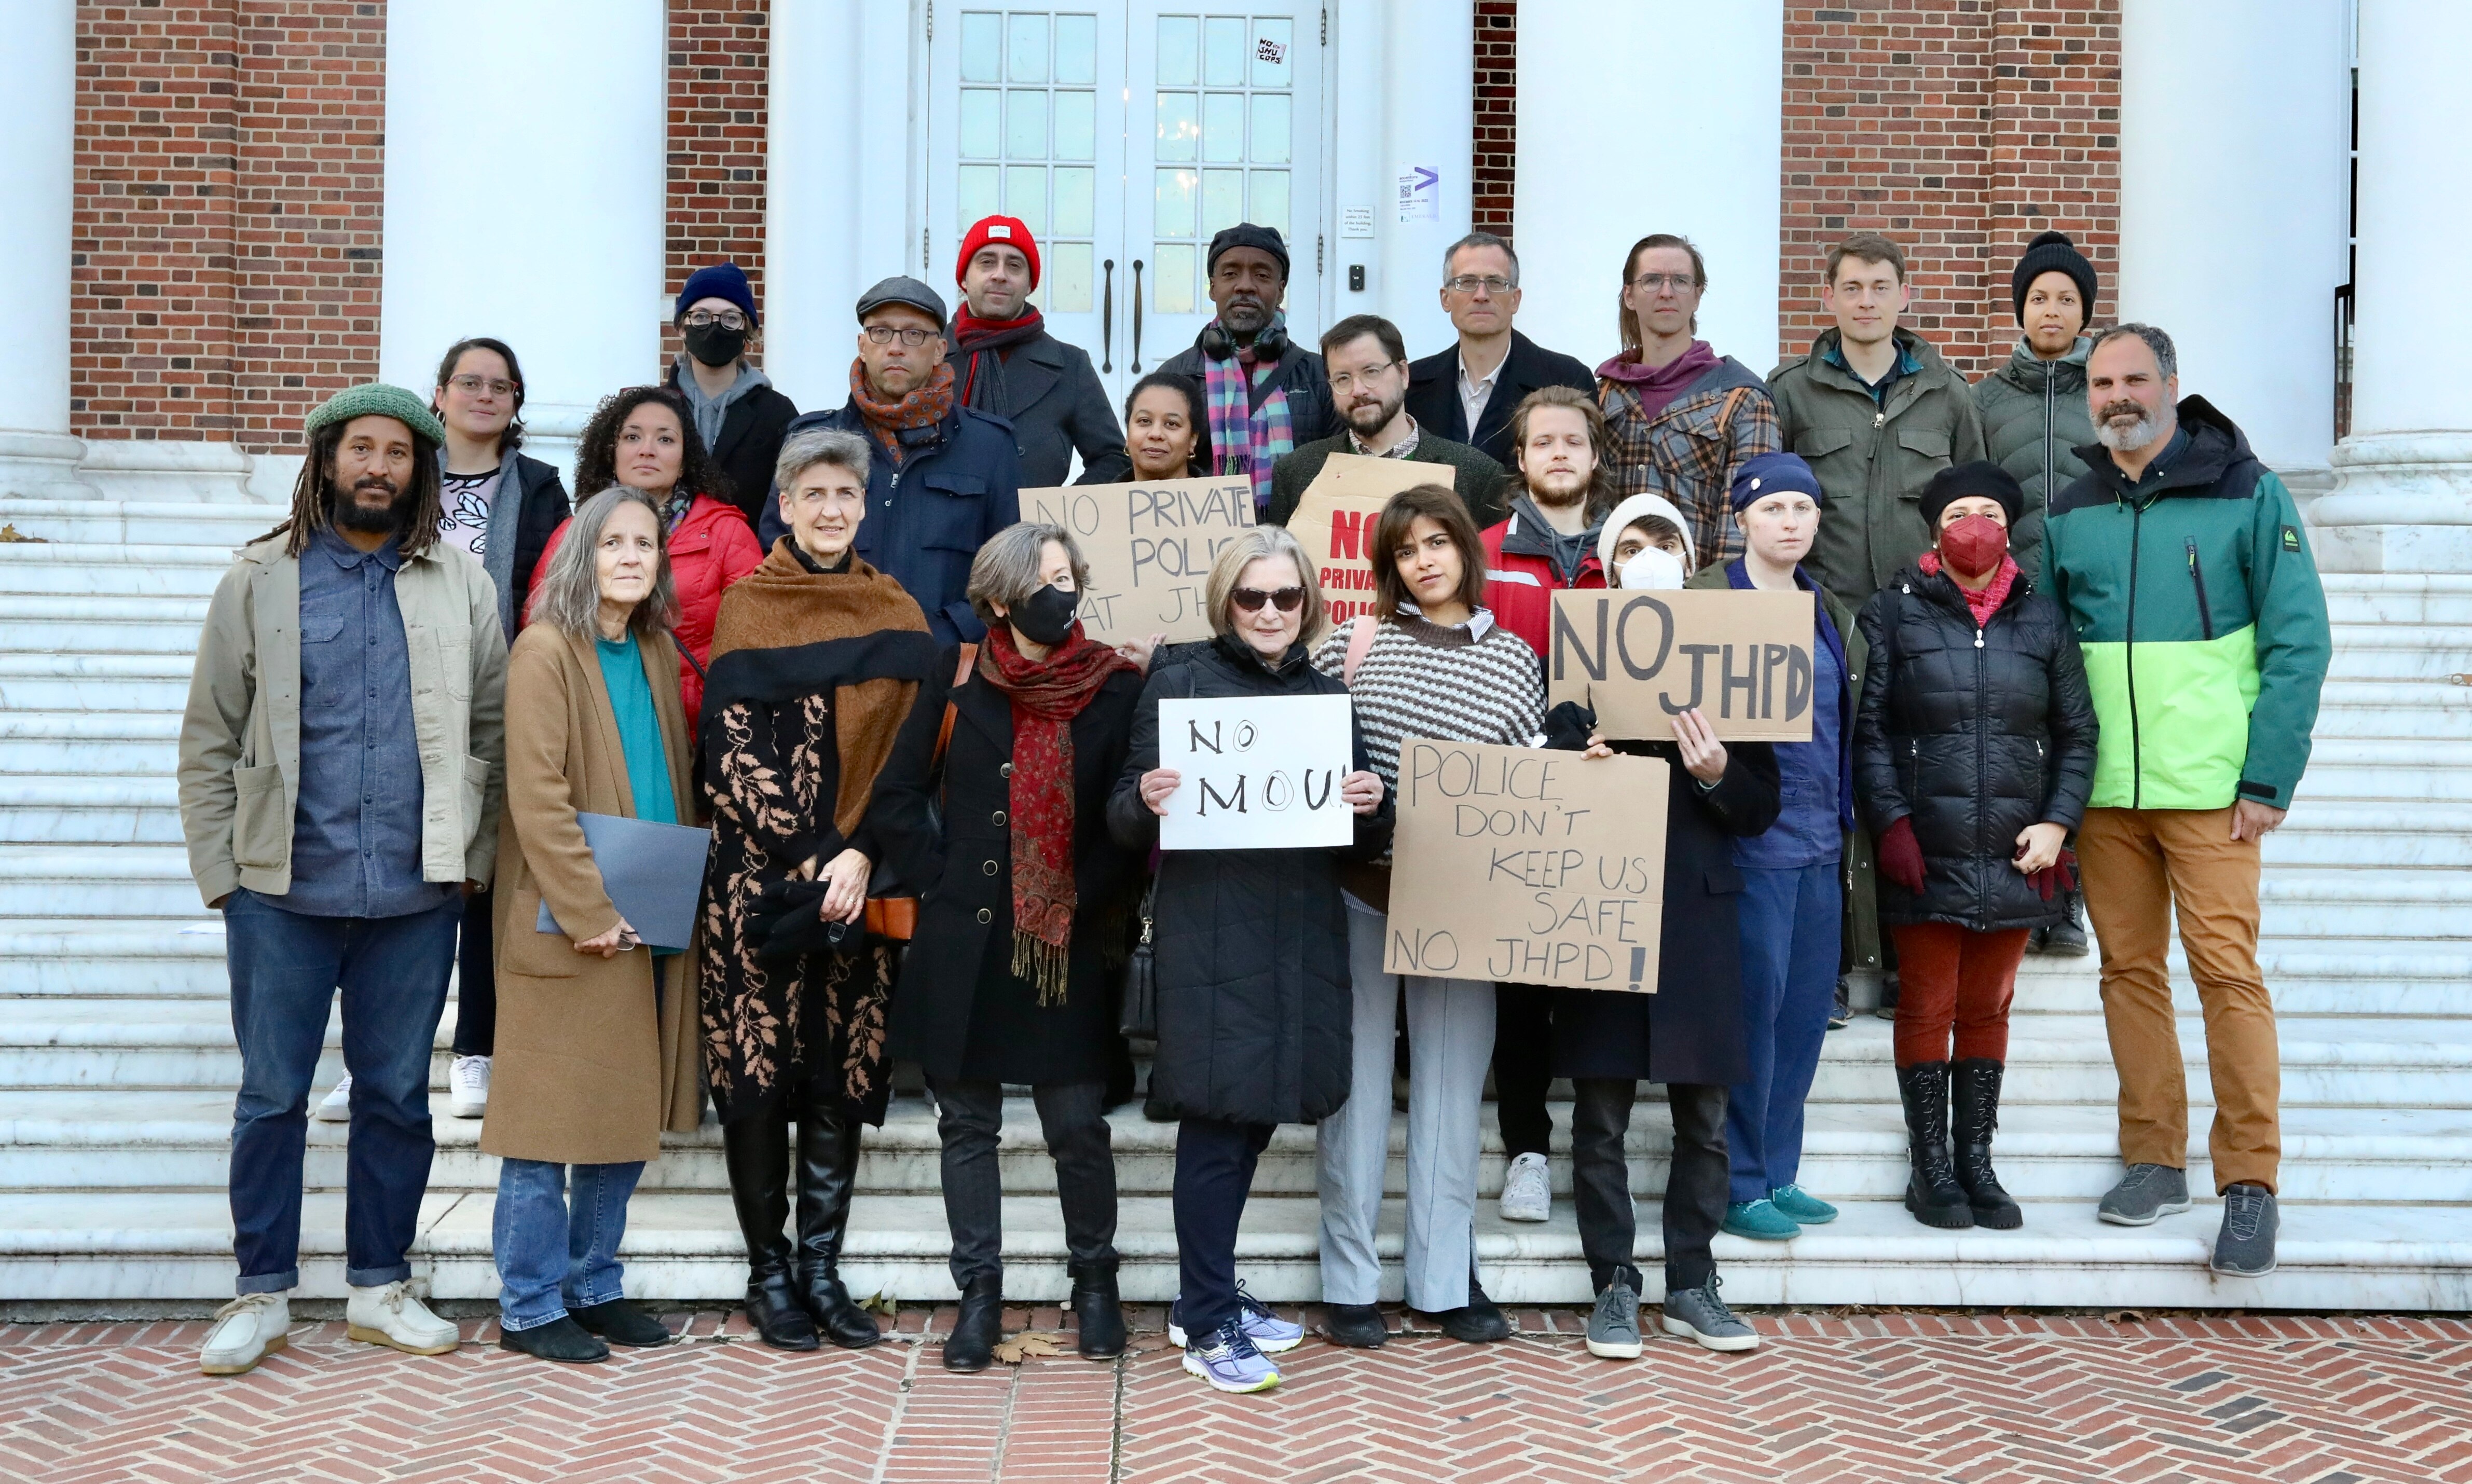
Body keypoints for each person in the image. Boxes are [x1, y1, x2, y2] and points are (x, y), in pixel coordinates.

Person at [176, 383, 506, 1377]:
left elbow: (489, 727)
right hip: (280, 891)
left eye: (397, 454)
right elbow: (209, 735)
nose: (377, 468)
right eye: (359, 450)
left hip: (415, 893)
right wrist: (224, 876)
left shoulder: (463, 583)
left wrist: (471, 866)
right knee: (271, 1095)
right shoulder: (259, 579)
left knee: (400, 1096)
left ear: (422, 469)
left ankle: (378, 1286)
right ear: (325, 461)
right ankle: (260, 1293)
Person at [2042, 323, 2330, 1278]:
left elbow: (2298, 641)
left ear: (2170, 384)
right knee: (2126, 974)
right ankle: (2152, 1159)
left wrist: (2266, 776)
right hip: (2106, 793)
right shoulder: (2071, 507)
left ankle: (2248, 1183)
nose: (2115, 397)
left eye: (2132, 379)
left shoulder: (2247, 493)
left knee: (2224, 974)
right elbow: (2046, 653)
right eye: (2099, 384)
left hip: (2211, 791)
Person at [1107, 527, 1389, 1393]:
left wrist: (1371, 803)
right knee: (1215, 1123)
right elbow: (1119, 813)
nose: (1269, 613)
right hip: (1212, 928)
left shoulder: (1324, 698)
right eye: (1251, 597)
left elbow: (1360, 827)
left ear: (1308, 604)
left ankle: (1211, 1291)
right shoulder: (1180, 681)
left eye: (1286, 597)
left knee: (1257, 1114)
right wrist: (1146, 800)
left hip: (1299, 927)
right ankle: (1202, 1320)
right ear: (1225, 600)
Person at [701, 427, 944, 1351]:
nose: (833, 510)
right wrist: (804, 848)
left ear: (863, 503)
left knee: (839, 1072)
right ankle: (769, 1275)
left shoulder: (897, 608)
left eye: (847, 494)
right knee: (760, 1075)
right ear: (787, 506)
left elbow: (912, 754)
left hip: (858, 878)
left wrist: (858, 857)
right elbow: (726, 748)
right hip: (758, 879)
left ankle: (820, 1271)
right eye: (815, 495)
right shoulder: (748, 606)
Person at [880, 523, 1145, 1370]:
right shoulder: (955, 676)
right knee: (966, 1125)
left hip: (1067, 938)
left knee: (1076, 1125)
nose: (1061, 595)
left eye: (1070, 578)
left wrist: (1080, 895)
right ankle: (979, 1298)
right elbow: (894, 795)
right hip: (966, 942)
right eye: (1044, 582)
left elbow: (1126, 815)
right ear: (998, 599)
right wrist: (947, 879)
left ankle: (1095, 1287)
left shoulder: (1115, 685)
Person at [1309, 483, 1544, 1351]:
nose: (1426, 559)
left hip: (1462, 901)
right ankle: (1349, 1281)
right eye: (1407, 549)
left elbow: (1531, 778)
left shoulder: (1514, 659)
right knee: (1357, 1098)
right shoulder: (1352, 644)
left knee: (1449, 1096)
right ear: (1388, 566)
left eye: (1438, 542)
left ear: (1464, 551)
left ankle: (1442, 1280)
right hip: (1359, 890)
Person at [484, 487, 705, 1363]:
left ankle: (593, 1283)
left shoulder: (654, 650)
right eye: (611, 541)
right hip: (567, 915)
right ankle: (531, 1302)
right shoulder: (543, 651)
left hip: (649, 903)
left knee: (621, 1111)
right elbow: (535, 797)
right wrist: (587, 908)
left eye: (644, 544)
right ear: (583, 553)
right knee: (545, 1122)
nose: (629, 556)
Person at [1539, 574, 1780, 1358]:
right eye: (1632, 549)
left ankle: (1690, 1282)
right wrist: (1583, 761)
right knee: (1600, 1116)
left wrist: (1714, 771)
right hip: (1603, 915)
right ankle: (1613, 1281)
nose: (1649, 561)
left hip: (1699, 921)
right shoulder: (1577, 678)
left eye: (1663, 548)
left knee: (1703, 1120)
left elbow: (1761, 808)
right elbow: (1543, 785)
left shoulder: (1731, 679)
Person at [1854, 461, 2097, 1232]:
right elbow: (1870, 732)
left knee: (1990, 1006)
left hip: (2021, 849)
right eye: (1958, 511)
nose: (1974, 523)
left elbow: (2077, 733)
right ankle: (1930, 1169)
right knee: (1928, 1004)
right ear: (1934, 528)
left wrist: (2059, 823)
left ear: (2010, 527)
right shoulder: (1892, 612)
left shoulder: (2044, 618)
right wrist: (1891, 825)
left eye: (1989, 510)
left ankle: (1976, 1161)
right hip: (1927, 845)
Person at [1680, 453, 1862, 1241]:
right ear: (1743, 519)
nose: (1790, 522)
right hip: (1751, 843)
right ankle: (1739, 1180)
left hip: (1824, 843)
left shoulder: (1829, 607)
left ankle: (1779, 1171)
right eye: (1773, 509)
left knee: (1801, 1019)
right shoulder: (1710, 601)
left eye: (1803, 508)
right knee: (1753, 1016)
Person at [1474, 384, 1620, 1226]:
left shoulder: (1636, 553)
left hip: (1613, 790)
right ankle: (1525, 1151)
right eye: (1543, 442)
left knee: (1601, 981)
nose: (1559, 453)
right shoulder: (1486, 551)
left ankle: (1597, 1150)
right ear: (1521, 460)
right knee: (1520, 991)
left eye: (1573, 440)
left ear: (1593, 457)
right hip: (1517, 793)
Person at [418, 336, 570, 1124]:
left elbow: (549, 588)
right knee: (399, 880)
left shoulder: (541, 488)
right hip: (402, 692)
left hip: (495, 694)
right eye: (468, 382)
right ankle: (394, 1050)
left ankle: (477, 1046)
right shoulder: (401, 474)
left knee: (481, 878)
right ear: (439, 393)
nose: (484, 395)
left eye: (500, 386)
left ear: (516, 402)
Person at [760, 277, 1023, 643]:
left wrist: (945, 632)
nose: (896, 347)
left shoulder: (989, 446)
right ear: (862, 346)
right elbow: (776, 549)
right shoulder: (813, 439)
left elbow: (1012, 568)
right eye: (881, 332)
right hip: (833, 657)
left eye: (914, 334)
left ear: (939, 350)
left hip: (946, 666)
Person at [1974, 230, 2103, 956]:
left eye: (2065, 299)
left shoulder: (2106, 395)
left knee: (2076, 743)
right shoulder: (1986, 399)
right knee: (2017, 746)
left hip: (2091, 605)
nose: (2051, 311)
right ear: (2020, 309)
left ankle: (2069, 901)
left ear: (2084, 310)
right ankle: (2026, 893)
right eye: (2038, 298)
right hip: (2012, 600)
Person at [1770, 232, 1987, 617]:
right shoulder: (1790, 390)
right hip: (1823, 611)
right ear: (1829, 297)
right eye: (1852, 288)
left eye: (1880, 288)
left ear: (1904, 295)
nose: (1866, 302)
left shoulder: (1948, 392)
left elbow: (1976, 509)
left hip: (1927, 612)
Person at [530, 386, 764, 726]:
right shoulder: (573, 533)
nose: (647, 450)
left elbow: (754, 642)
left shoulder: (727, 533)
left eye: (665, 440)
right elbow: (541, 627)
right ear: (612, 452)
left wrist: (694, 701)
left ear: (685, 461)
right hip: (597, 722)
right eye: (632, 437)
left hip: (693, 727)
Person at [1596, 233, 1782, 570]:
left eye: (1680, 281)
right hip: (1611, 598)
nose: (1667, 292)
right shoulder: (1605, 394)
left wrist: (1718, 605)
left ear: (1697, 295)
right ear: (1630, 296)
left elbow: (1745, 525)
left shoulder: (1742, 398)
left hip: (1698, 599)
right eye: (1652, 280)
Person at [1155, 224, 1337, 516]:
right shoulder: (1174, 378)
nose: (1245, 285)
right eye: (1230, 274)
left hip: (1293, 547)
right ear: (1213, 287)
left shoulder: (1320, 375)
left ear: (1281, 290)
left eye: (1262, 275)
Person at [1264, 314, 1508, 530]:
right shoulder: (1295, 473)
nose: (1358, 390)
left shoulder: (1477, 475)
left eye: (1371, 372)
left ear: (1403, 373)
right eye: (1343, 379)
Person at [949, 215, 1131, 487]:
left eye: (1014, 265)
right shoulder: (928, 357)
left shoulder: (1070, 366)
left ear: (1030, 283)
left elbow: (1113, 459)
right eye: (986, 262)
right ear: (964, 277)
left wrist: (1061, 513)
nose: (1000, 274)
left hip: (1032, 526)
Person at [1405, 231, 1595, 469]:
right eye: (1467, 282)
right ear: (1446, 299)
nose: (1481, 295)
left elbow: (1589, 479)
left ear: (1515, 299)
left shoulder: (1567, 380)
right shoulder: (1412, 386)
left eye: (1496, 283)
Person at [669, 260, 800, 533]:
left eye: (730, 318)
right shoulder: (655, 409)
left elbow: (788, 504)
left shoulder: (777, 414)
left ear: (747, 331)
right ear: (683, 327)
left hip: (748, 564)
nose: (714, 327)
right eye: (701, 316)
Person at [1088, 370, 1207, 484]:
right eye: (1145, 421)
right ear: (1128, 434)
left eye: (1171, 424)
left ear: (1193, 439)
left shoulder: (1221, 503)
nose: (1155, 434)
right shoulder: (1101, 503)